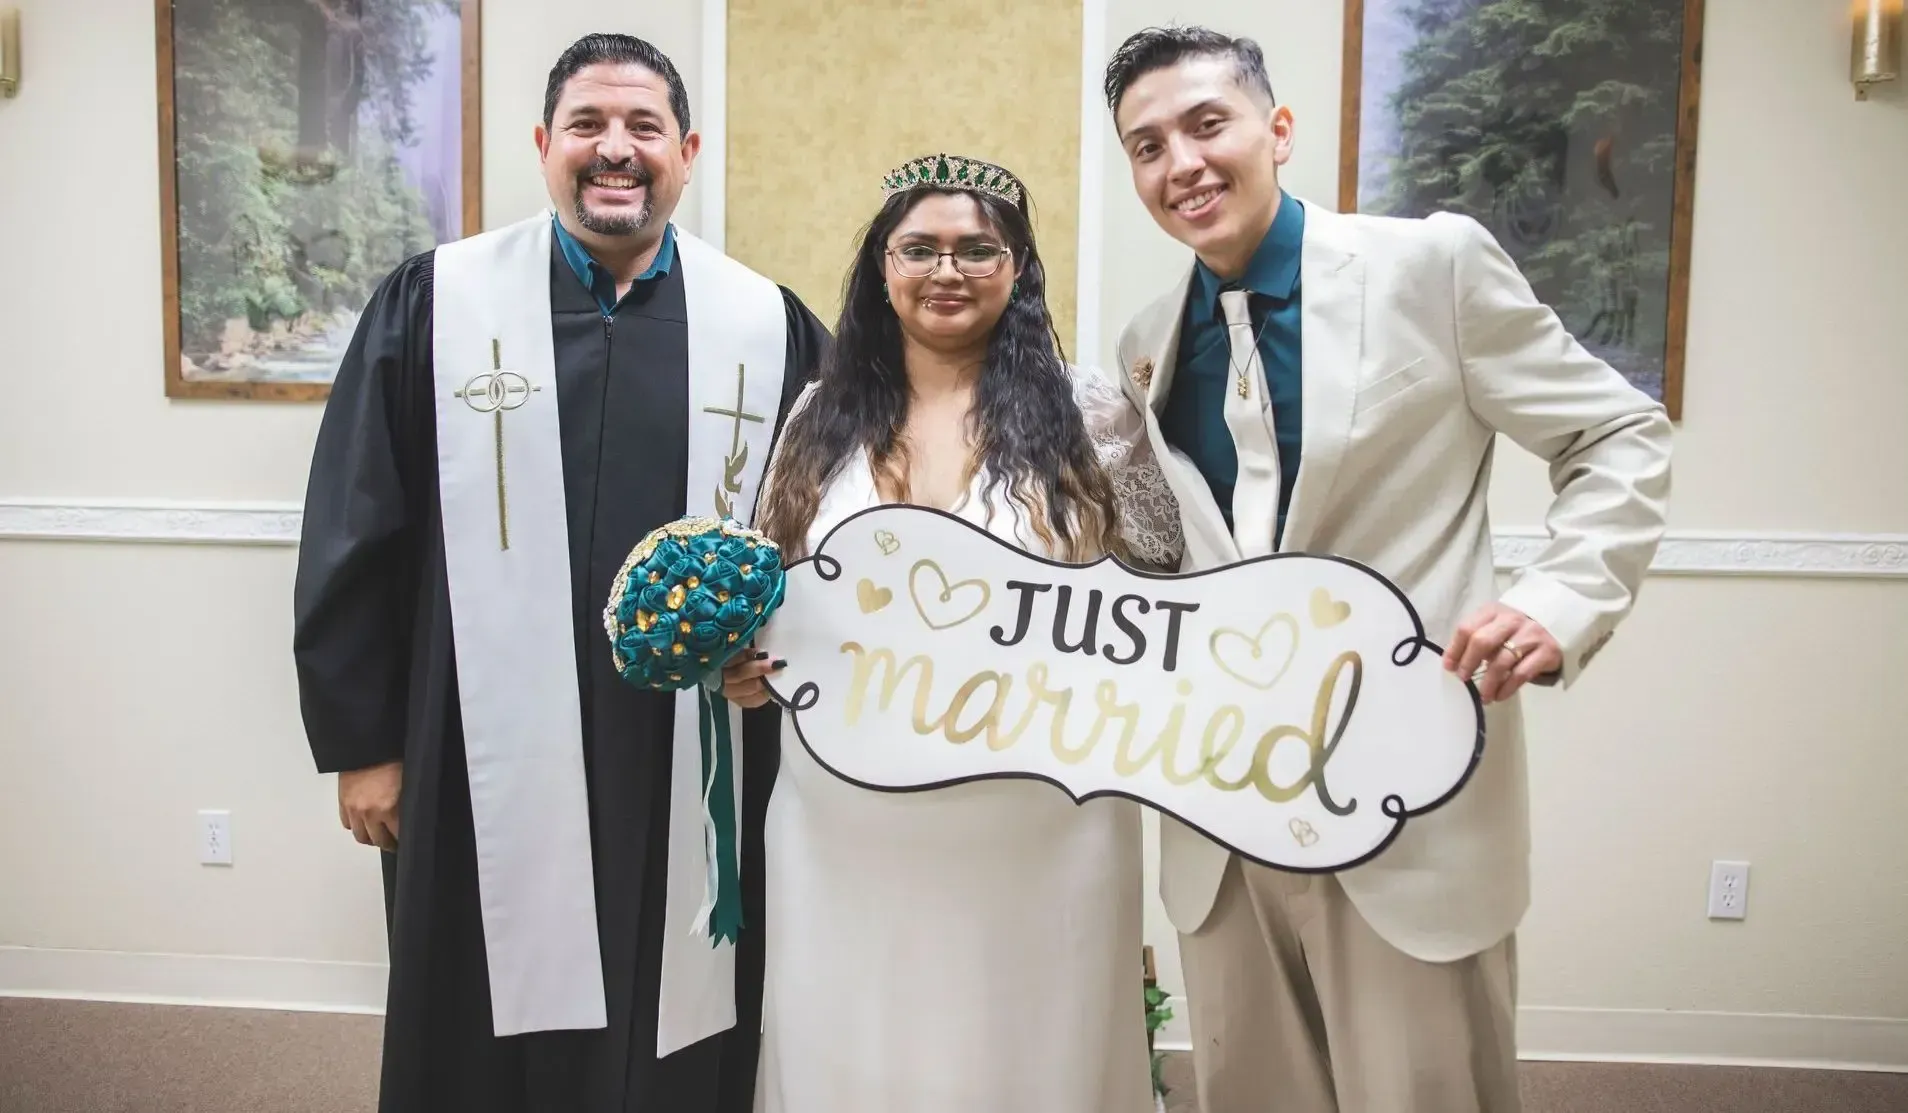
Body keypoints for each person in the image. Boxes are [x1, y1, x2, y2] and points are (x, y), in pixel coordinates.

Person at [1101, 26, 1673, 1113]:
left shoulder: (1431, 266)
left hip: (1414, 810)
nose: (1181, 163)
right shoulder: (1142, 345)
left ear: (1277, 129)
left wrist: (1559, 599)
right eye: (1146, 145)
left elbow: (1618, 436)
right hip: (1222, 826)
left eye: (1206, 124)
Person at [291, 32, 830, 1113]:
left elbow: (819, 542)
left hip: (684, 746)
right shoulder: (438, 306)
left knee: (677, 992)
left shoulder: (765, 329)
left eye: (642, 128)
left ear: (687, 149)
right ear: (545, 144)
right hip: (472, 747)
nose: (613, 150)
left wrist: (782, 668)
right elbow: (358, 525)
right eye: (587, 125)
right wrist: (364, 746)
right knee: (476, 1008)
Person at [718, 154, 1182, 1112]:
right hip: (846, 813)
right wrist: (744, 665)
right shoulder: (817, 416)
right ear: (881, 269)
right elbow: (771, 587)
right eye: (919, 248)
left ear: (1017, 268)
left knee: (1027, 1043)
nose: (947, 270)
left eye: (979, 249)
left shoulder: (1089, 411)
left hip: (1038, 815)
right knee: (851, 1039)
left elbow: (1166, 576)